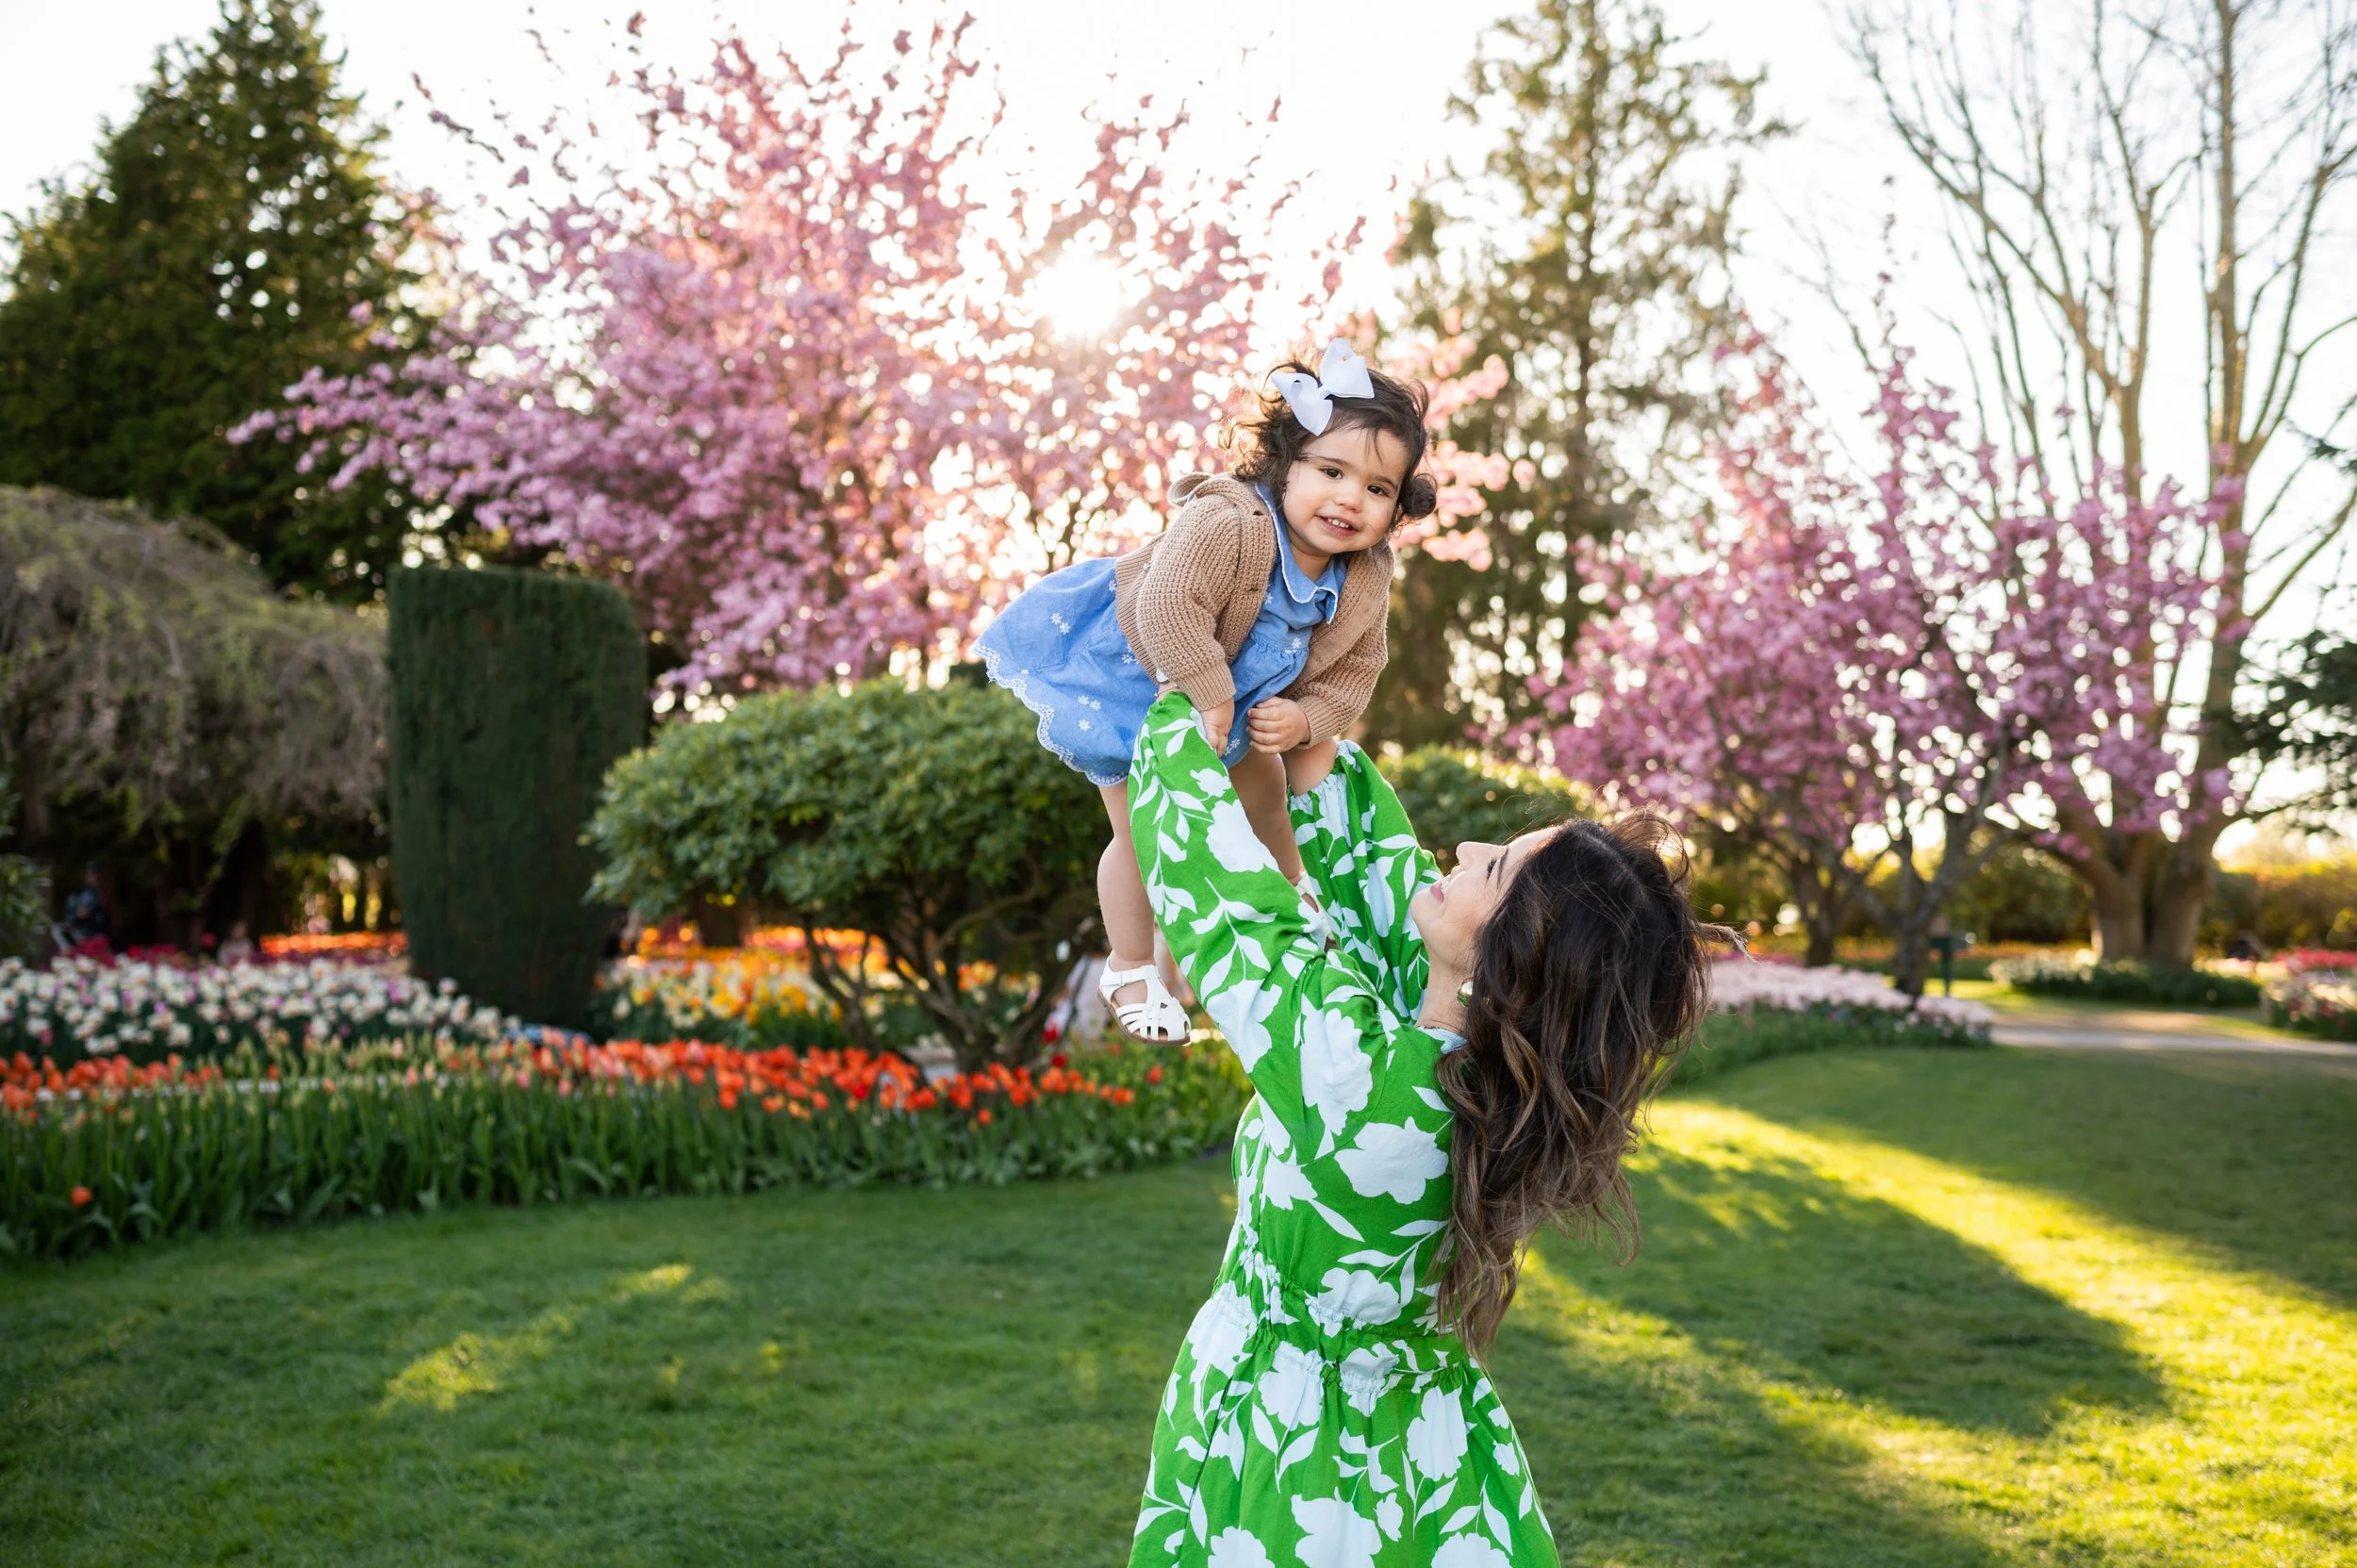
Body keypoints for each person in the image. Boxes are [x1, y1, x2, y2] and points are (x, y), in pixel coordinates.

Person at [1122, 694, 1719, 1567]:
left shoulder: (1371, 1091)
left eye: (1494, 866)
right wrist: (1308, 731)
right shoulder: (1484, 1064)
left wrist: (1181, 704)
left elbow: (1234, 914)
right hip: (1423, 1438)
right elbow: (1380, 873)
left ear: (1513, 955)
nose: (1464, 850)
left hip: (1292, 1443)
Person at [978, 338, 1437, 1043]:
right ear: (1285, 464)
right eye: (1331, 471)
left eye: (1378, 489)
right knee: (1144, 829)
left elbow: (1355, 670)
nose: (1351, 498)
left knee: (1267, 800)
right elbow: (1168, 605)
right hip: (1141, 680)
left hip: (1234, 705)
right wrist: (1206, 689)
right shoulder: (1229, 522)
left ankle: (1296, 910)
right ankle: (1131, 966)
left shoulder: (1366, 573)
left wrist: (1307, 718)